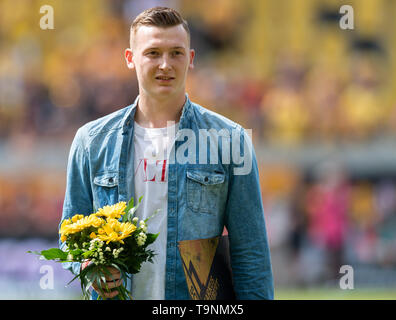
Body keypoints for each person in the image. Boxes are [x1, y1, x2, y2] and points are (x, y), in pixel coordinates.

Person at [59, 6, 273, 300]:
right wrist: (88, 268)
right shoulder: (91, 142)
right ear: (130, 59)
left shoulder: (229, 140)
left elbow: (250, 253)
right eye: (153, 53)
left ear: (191, 59)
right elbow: (70, 239)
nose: (165, 65)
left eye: (176, 53)